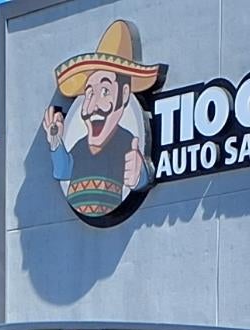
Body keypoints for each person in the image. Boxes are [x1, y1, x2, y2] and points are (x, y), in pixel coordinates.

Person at [43, 19, 165, 220]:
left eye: (105, 91)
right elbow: (63, 170)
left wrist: (140, 176)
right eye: (89, 93)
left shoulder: (127, 143)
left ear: (125, 94)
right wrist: (56, 142)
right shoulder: (80, 146)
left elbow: (136, 174)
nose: (92, 107)